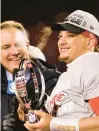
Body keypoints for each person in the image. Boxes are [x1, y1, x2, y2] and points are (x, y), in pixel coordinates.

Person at [18, 10, 99, 131]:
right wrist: (34, 117)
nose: (62, 42)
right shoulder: (66, 76)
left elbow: (54, 124)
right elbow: (55, 121)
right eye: (60, 36)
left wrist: (53, 124)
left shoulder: (91, 62)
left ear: (90, 41)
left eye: (70, 35)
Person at [0, 20, 60, 131]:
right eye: (6, 47)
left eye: (18, 44)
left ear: (27, 45)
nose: (14, 51)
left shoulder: (57, 82)